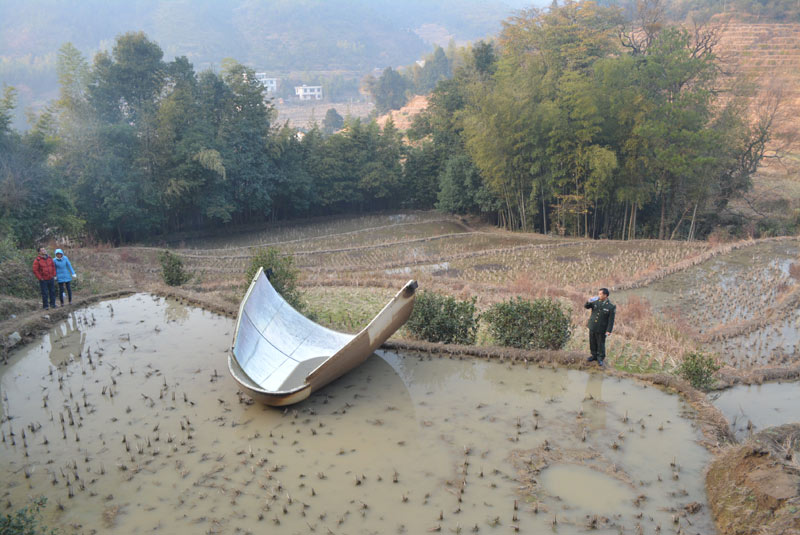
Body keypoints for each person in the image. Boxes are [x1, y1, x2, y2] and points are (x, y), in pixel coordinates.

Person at [584, 288, 615, 367]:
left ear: (605, 295)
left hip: (602, 328)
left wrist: (609, 330)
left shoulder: (611, 307)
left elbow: (611, 320)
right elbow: (586, 306)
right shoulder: (595, 302)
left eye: (600, 294)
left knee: (600, 343)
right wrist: (588, 301)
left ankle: (600, 358)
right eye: (599, 294)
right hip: (593, 326)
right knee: (592, 342)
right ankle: (593, 356)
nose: (599, 295)